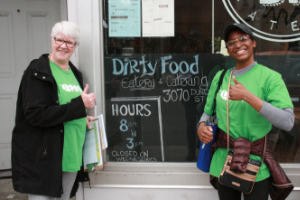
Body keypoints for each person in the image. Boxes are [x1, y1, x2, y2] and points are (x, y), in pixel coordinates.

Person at [197, 23, 295, 200]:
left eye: (243, 39)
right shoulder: (220, 78)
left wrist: (248, 97)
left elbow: (288, 121)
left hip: (256, 165)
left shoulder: (270, 78)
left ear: (254, 43)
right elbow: (208, 113)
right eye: (232, 42)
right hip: (223, 163)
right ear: (227, 48)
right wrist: (201, 126)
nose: (238, 44)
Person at [11, 21, 96, 200]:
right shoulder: (37, 71)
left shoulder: (76, 74)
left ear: (76, 46)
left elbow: (66, 109)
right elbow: (35, 114)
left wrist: (82, 118)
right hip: (44, 160)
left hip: (71, 156)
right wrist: (80, 106)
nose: (63, 46)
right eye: (59, 40)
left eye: (69, 42)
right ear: (52, 39)